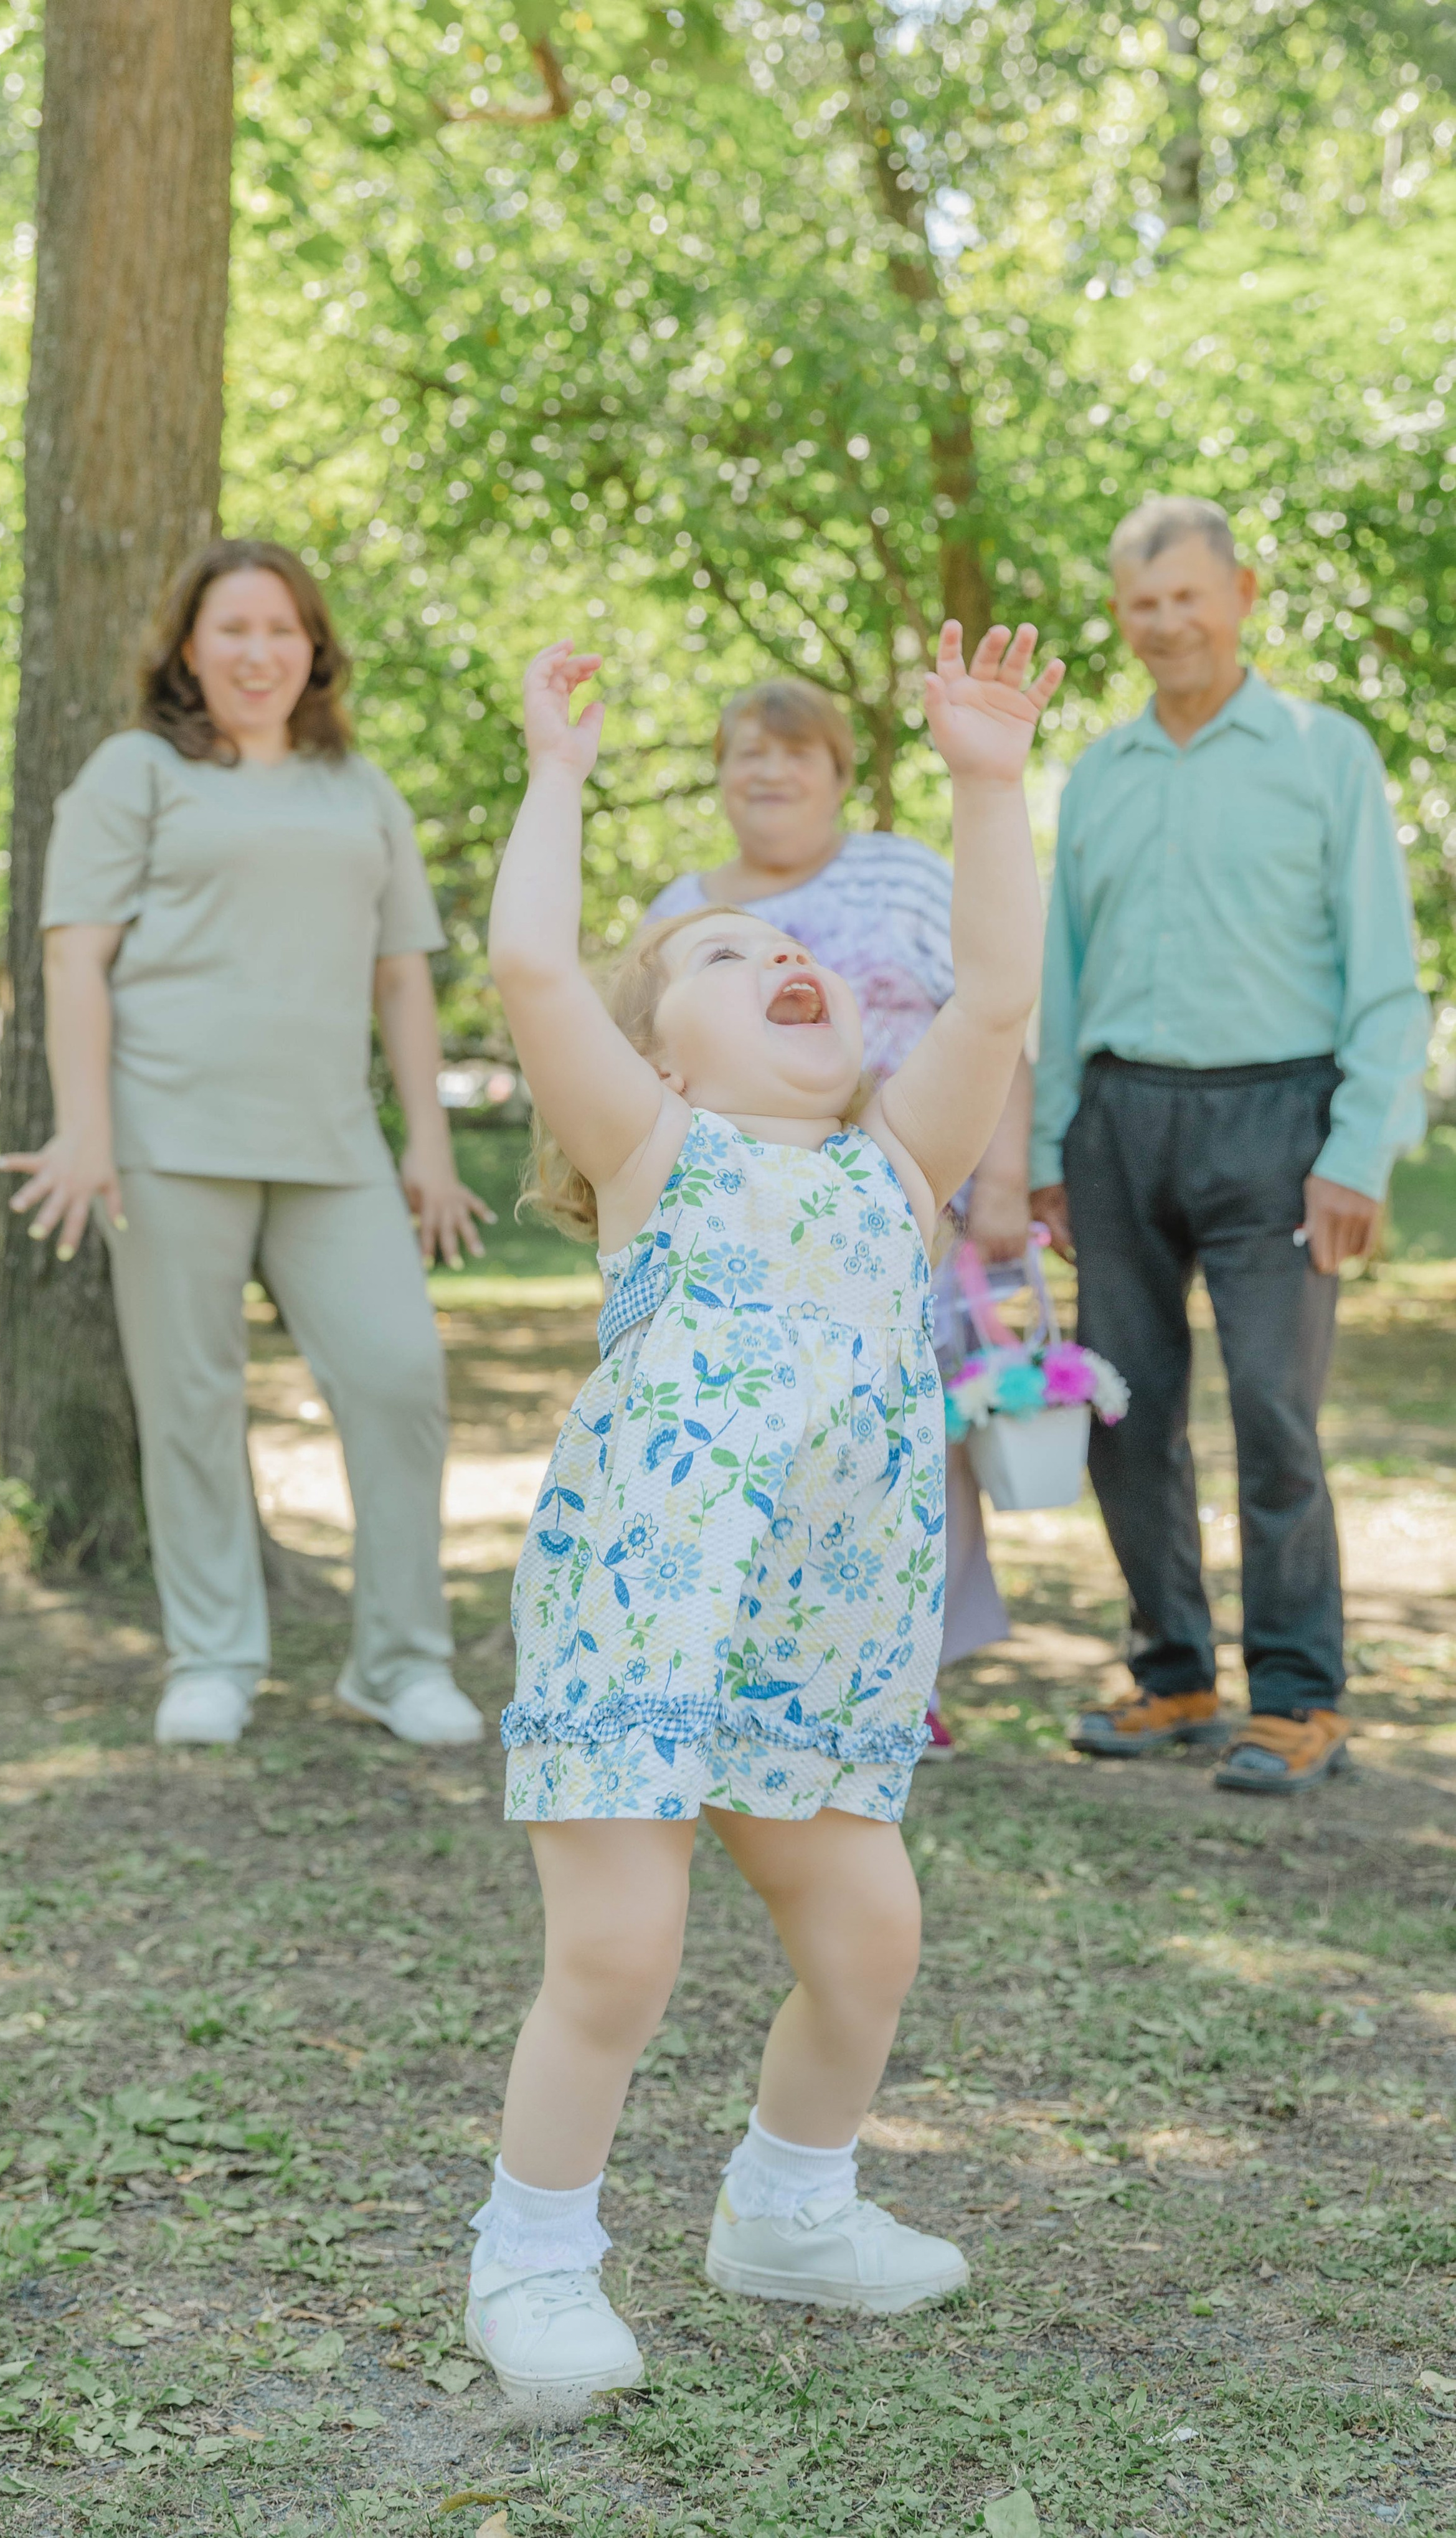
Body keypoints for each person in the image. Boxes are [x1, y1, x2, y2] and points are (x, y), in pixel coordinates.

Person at [468, 617, 1062, 2415]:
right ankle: (533, 2259)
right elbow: (531, 966)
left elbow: (995, 996)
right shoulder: (662, 1156)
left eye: (791, 944)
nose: (778, 951)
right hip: (644, 1609)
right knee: (618, 1951)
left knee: (869, 1936)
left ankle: (791, 2205)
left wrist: (985, 783)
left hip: (822, 1637)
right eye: (724, 954)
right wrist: (556, 776)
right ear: (660, 1057)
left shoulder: (899, 1168)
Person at [1, 538, 494, 1751]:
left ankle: (401, 1662)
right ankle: (214, 1657)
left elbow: (401, 977)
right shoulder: (135, 771)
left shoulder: (357, 787)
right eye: (232, 629)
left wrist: (428, 1145)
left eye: (281, 629)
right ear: (187, 648)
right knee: (191, 1402)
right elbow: (74, 957)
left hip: (335, 1145)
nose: (258, 652)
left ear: (314, 648)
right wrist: (85, 1128)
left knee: (398, 1378)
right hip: (168, 1134)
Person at [1030, 495, 1429, 1795]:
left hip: (1280, 1121)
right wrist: (1046, 1148)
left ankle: (1299, 1698)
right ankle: (1174, 1675)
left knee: (1272, 1411)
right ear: (1120, 616)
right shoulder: (1097, 772)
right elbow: (1060, 976)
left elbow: (1384, 974)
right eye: (1141, 605)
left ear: (1241, 595)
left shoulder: (1324, 753)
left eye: (1187, 598)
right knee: (1123, 1412)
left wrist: (1357, 1149)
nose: (1166, 624)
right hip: (1117, 1120)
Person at [646, 678, 1034, 1710]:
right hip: (740, 1239)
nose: (771, 771)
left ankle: (910, 1673)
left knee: (913, 1437)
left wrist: (1000, 1180)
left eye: (797, 753)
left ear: (839, 774)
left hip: (911, 1203)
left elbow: (992, 1010)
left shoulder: (901, 875)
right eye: (749, 752)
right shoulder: (678, 910)